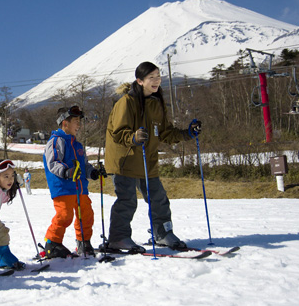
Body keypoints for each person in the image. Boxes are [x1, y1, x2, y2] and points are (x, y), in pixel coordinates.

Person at [103, 61, 202, 253]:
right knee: (127, 200)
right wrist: (133, 137)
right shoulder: (126, 102)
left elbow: (165, 133)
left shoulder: (156, 104)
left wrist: (188, 133)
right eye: (152, 78)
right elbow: (118, 132)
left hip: (147, 161)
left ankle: (163, 233)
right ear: (140, 81)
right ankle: (119, 238)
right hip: (125, 160)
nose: (156, 81)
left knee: (159, 199)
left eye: (158, 77)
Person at [43, 105, 105, 258]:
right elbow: (53, 163)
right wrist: (66, 171)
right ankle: (52, 242)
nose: (79, 125)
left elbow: (84, 165)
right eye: (76, 121)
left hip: (80, 188)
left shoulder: (77, 145)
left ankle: (84, 242)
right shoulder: (56, 141)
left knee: (86, 214)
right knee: (64, 215)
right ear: (65, 123)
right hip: (63, 187)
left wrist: (93, 172)